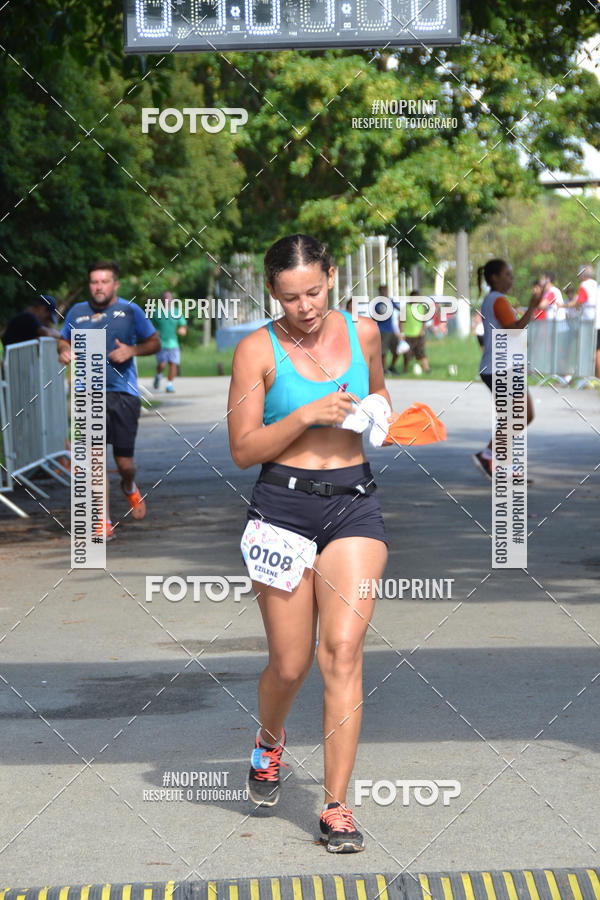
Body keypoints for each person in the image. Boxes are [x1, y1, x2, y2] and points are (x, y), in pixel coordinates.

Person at [227, 234, 396, 853]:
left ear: (332, 276)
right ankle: (270, 741)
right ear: (273, 292)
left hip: (353, 502)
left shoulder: (365, 335)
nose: (305, 306)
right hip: (281, 509)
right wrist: (304, 416)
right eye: (291, 296)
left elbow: (379, 397)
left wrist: (378, 418)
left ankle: (336, 808)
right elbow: (243, 449)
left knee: (343, 650)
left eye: (316, 291)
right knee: (291, 663)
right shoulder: (256, 350)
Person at [57, 260, 160, 539]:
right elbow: (63, 340)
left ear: (115, 284)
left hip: (123, 394)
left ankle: (128, 486)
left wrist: (132, 351)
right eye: (94, 282)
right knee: (95, 459)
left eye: (104, 281)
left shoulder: (129, 311)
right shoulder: (77, 312)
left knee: (124, 462)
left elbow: (154, 343)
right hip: (88, 393)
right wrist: (64, 351)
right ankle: (103, 520)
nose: (98, 287)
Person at [472, 259, 541, 480]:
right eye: (507, 275)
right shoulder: (498, 300)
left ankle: (497, 461)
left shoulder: (492, 299)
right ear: (494, 277)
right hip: (503, 367)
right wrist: (532, 305)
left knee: (514, 416)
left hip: (499, 366)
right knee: (520, 415)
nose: (511, 279)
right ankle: (491, 456)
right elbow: (514, 330)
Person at [152, 291, 187, 393]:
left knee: (173, 364)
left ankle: (169, 385)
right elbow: (149, 326)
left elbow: (183, 324)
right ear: (162, 300)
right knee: (162, 364)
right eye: (165, 298)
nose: (168, 300)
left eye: (169, 298)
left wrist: (183, 329)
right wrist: (154, 333)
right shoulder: (156, 312)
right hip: (161, 343)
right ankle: (158, 375)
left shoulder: (176, 312)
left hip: (173, 343)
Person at [402, 290, 431, 374]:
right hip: (408, 334)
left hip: (419, 335)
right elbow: (401, 321)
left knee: (421, 352)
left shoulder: (421, 308)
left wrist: (421, 331)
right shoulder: (406, 308)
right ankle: (405, 369)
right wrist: (402, 333)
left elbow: (424, 321)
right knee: (407, 354)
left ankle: (427, 369)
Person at [375, 283, 400, 373]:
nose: (384, 293)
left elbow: (399, 308)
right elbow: (375, 315)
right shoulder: (377, 303)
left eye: (385, 291)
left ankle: (392, 366)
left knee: (397, 350)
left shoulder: (390, 301)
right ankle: (383, 369)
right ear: (379, 292)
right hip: (382, 330)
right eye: (382, 291)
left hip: (391, 330)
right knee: (383, 352)